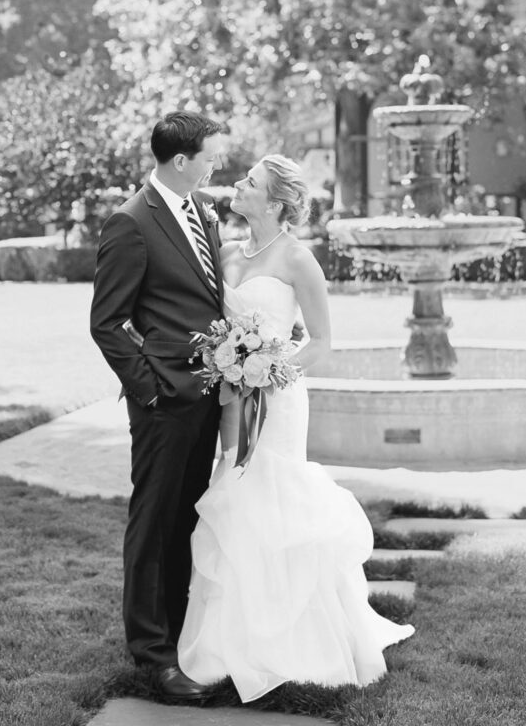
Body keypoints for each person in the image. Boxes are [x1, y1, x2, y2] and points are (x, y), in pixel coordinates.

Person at [177, 154, 414, 702]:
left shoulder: (298, 259)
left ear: (277, 202)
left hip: (277, 399)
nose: (238, 185)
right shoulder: (229, 254)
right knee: (233, 496)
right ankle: (225, 642)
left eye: (250, 183)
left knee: (274, 498)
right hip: (232, 398)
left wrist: (268, 372)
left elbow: (323, 342)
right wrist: (233, 369)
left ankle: (297, 642)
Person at [90, 111, 226, 700]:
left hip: (210, 397)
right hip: (163, 402)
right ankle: (152, 655)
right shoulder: (131, 224)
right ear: (181, 161)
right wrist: (150, 389)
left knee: (187, 520)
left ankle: (180, 634)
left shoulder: (204, 214)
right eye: (211, 155)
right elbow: (108, 323)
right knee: (153, 523)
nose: (217, 163)